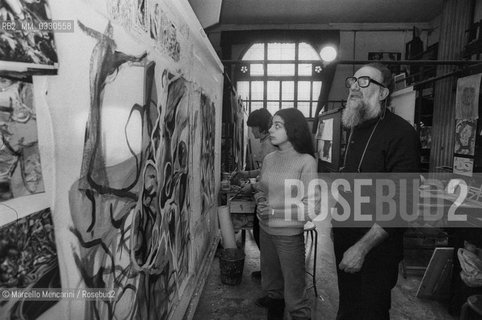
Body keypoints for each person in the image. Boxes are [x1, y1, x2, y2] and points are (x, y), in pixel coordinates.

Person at [333, 63, 420, 320]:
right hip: (346, 238)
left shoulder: (401, 133)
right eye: (352, 82)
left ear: (383, 93)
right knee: (348, 307)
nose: (354, 88)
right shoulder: (356, 127)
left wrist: (361, 249)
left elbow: (402, 202)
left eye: (364, 82)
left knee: (371, 311)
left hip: (374, 248)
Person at [254, 108, 320, 320]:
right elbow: (262, 189)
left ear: (293, 129)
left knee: (294, 297)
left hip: (288, 237)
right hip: (266, 232)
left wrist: (273, 211)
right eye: (272, 124)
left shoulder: (305, 161)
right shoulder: (270, 158)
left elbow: (311, 209)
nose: (271, 129)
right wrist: (261, 201)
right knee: (272, 288)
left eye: (277, 125)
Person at [235, 108, 277, 282]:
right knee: (261, 235)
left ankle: (272, 277)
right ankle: (269, 271)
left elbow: (270, 177)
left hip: (271, 198)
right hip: (268, 196)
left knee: (264, 237)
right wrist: (247, 175)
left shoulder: (270, 144)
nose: (252, 132)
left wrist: (251, 188)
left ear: (261, 127)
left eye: (253, 128)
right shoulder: (268, 141)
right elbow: (263, 170)